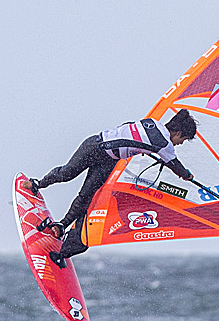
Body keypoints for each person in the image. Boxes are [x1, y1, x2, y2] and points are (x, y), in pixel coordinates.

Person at [21, 109, 198, 268]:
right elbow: (175, 165)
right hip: (95, 147)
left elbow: (128, 130)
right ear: (178, 132)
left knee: (86, 195)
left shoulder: (151, 123)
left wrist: (141, 149)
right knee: (67, 173)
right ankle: (37, 184)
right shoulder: (164, 144)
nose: (179, 144)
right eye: (182, 140)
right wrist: (188, 175)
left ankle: (61, 226)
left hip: (109, 159)